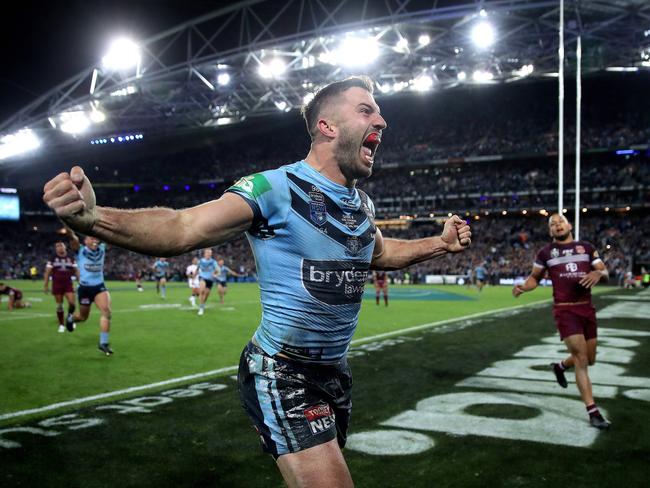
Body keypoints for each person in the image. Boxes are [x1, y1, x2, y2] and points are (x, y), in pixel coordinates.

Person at [43, 76, 471, 487]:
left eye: (379, 113)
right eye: (367, 111)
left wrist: (439, 243)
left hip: (335, 371)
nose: (382, 122)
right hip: (282, 372)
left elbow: (379, 254)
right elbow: (183, 227)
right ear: (327, 126)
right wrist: (94, 220)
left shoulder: (361, 204)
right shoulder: (273, 188)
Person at [513, 213, 610, 429]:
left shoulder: (586, 247)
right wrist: (523, 286)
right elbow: (534, 278)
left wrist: (598, 274)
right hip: (565, 311)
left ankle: (559, 366)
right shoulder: (545, 252)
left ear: (569, 225)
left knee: (590, 358)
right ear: (550, 231)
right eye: (553, 224)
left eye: (560, 222)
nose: (557, 226)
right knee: (582, 359)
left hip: (587, 309)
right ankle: (593, 412)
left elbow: (603, 270)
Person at [64, 229, 114, 356]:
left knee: (107, 312)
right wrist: (69, 229)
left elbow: (114, 238)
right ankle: (71, 318)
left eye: (96, 238)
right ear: (85, 241)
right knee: (82, 317)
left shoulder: (102, 248)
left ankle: (103, 343)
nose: (94, 240)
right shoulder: (80, 250)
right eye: (91, 238)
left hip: (99, 287)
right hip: (85, 289)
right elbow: (72, 238)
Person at [43, 241, 79, 332]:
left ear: (65, 247)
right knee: (59, 305)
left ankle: (70, 319)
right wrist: (46, 285)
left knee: (72, 303)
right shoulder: (52, 258)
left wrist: (80, 282)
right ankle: (62, 324)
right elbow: (47, 272)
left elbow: (76, 270)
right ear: (56, 249)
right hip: (57, 284)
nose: (59, 248)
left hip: (68, 284)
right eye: (57, 246)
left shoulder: (70, 257)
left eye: (61, 246)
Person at [197, 248, 218, 316]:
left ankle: (202, 304)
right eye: (208, 253)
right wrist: (194, 275)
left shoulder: (213, 262)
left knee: (206, 295)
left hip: (210, 279)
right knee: (202, 291)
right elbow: (197, 269)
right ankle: (201, 308)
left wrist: (215, 274)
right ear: (205, 254)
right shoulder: (200, 261)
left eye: (210, 253)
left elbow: (217, 269)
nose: (209, 254)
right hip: (202, 277)